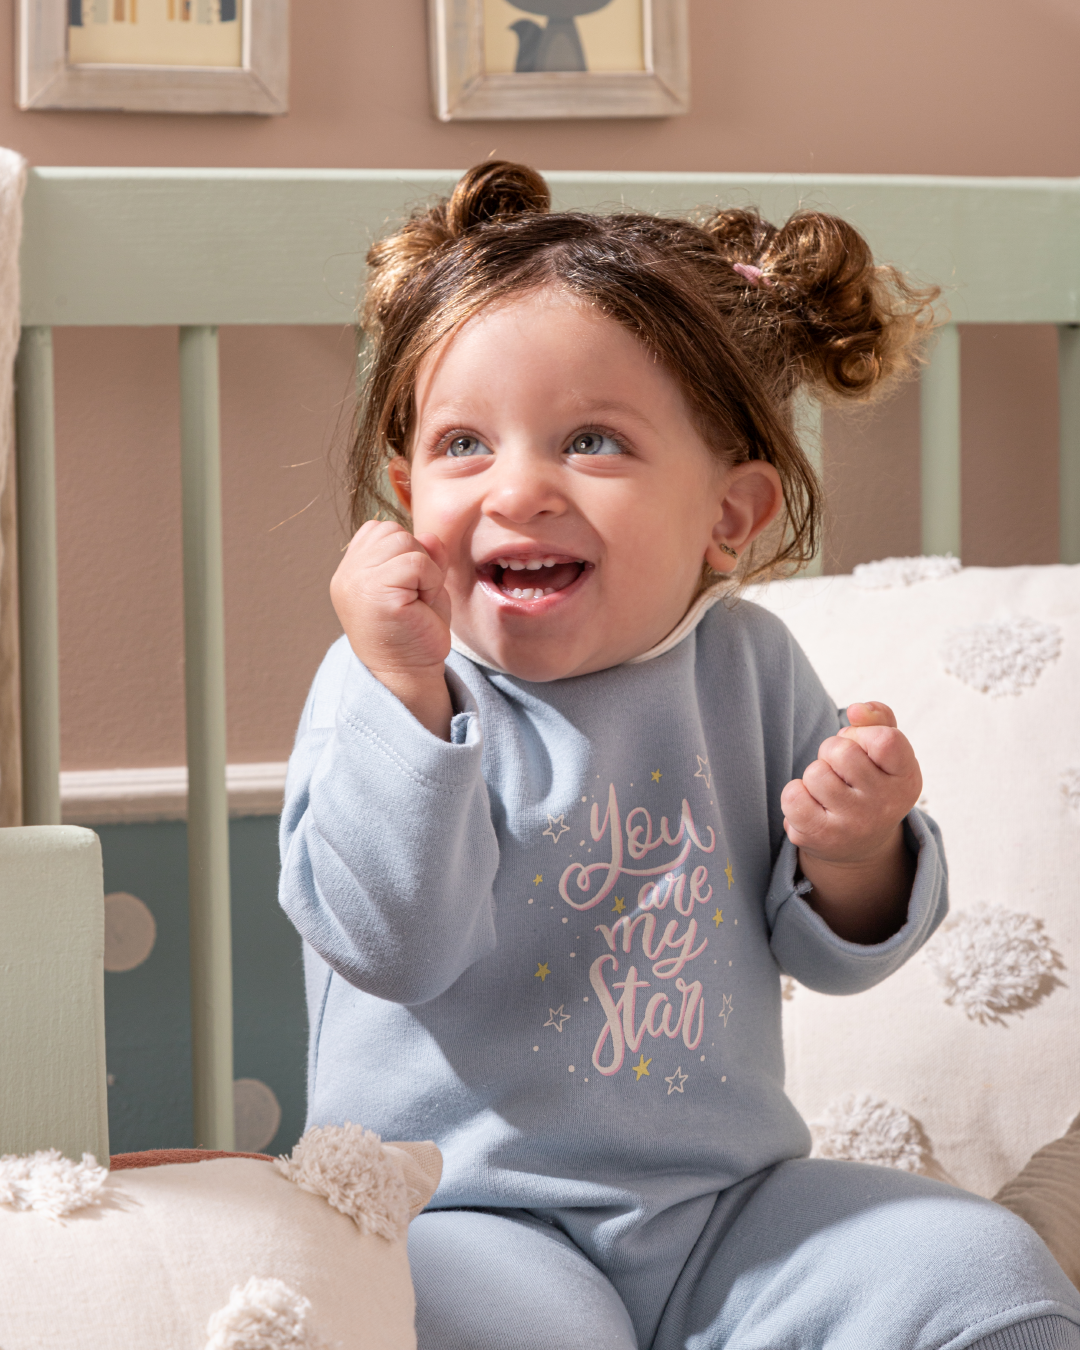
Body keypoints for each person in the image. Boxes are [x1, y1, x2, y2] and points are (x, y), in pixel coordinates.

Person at [279, 162, 1080, 1350]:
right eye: (463, 445)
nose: (518, 489)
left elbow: (833, 950)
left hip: (725, 1212)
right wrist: (404, 695)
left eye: (590, 440)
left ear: (729, 516)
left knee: (983, 1269)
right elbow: (392, 947)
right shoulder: (386, 684)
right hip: (461, 1211)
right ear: (406, 495)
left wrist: (857, 850)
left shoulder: (748, 667)